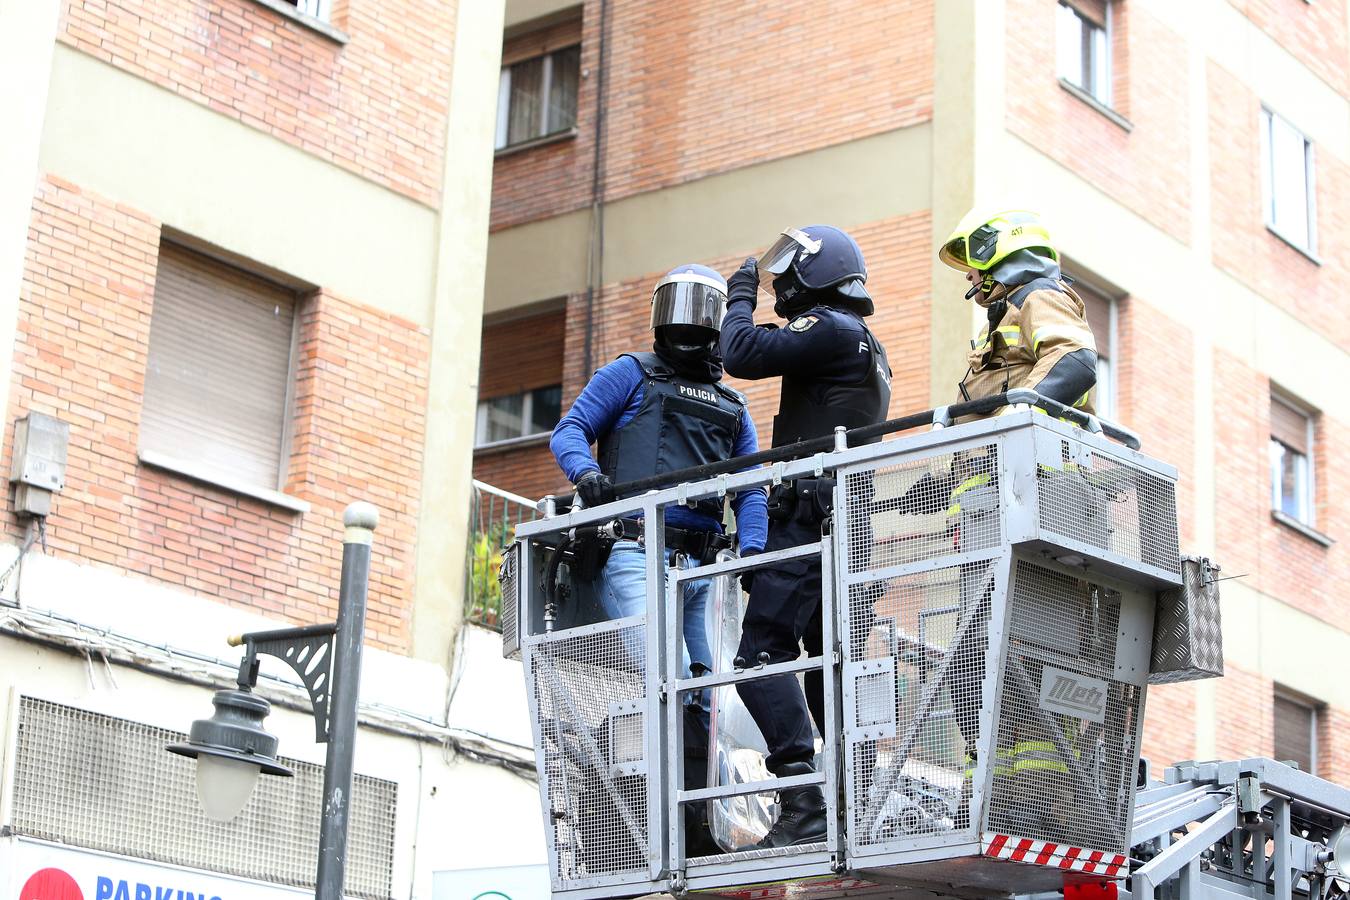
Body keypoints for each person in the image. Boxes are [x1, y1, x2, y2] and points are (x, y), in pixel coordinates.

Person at [549, 264, 769, 856]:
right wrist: (587, 475)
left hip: (701, 571)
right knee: (668, 681)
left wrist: (751, 552)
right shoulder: (629, 374)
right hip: (635, 554)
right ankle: (654, 827)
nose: (688, 320)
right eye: (679, 305)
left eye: (702, 308)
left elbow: (750, 488)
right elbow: (568, 431)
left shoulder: (732, 404)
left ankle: (696, 826)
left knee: (706, 695)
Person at [719, 225, 892, 848]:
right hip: (844, 519)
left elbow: (739, 352)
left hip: (809, 516)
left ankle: (804, 803)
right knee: (826, 668)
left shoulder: (833, 328)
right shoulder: (867, 344)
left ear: (822, 273)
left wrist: (739, 295)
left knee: (759, 656)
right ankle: (854, 803)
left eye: (791, 267)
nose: (780, 280)